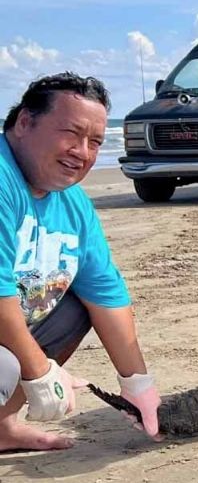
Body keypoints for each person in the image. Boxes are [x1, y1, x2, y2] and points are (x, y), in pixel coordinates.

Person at [0, 72, 162, 451]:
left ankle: (1, 427)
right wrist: (38, 370)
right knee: (8, 366)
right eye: (71, 134)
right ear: (25, 122)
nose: (82, 152)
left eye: (95, 142)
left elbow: (107, 297)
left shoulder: (74, 206)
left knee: (75, 307)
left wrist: (138, 385)